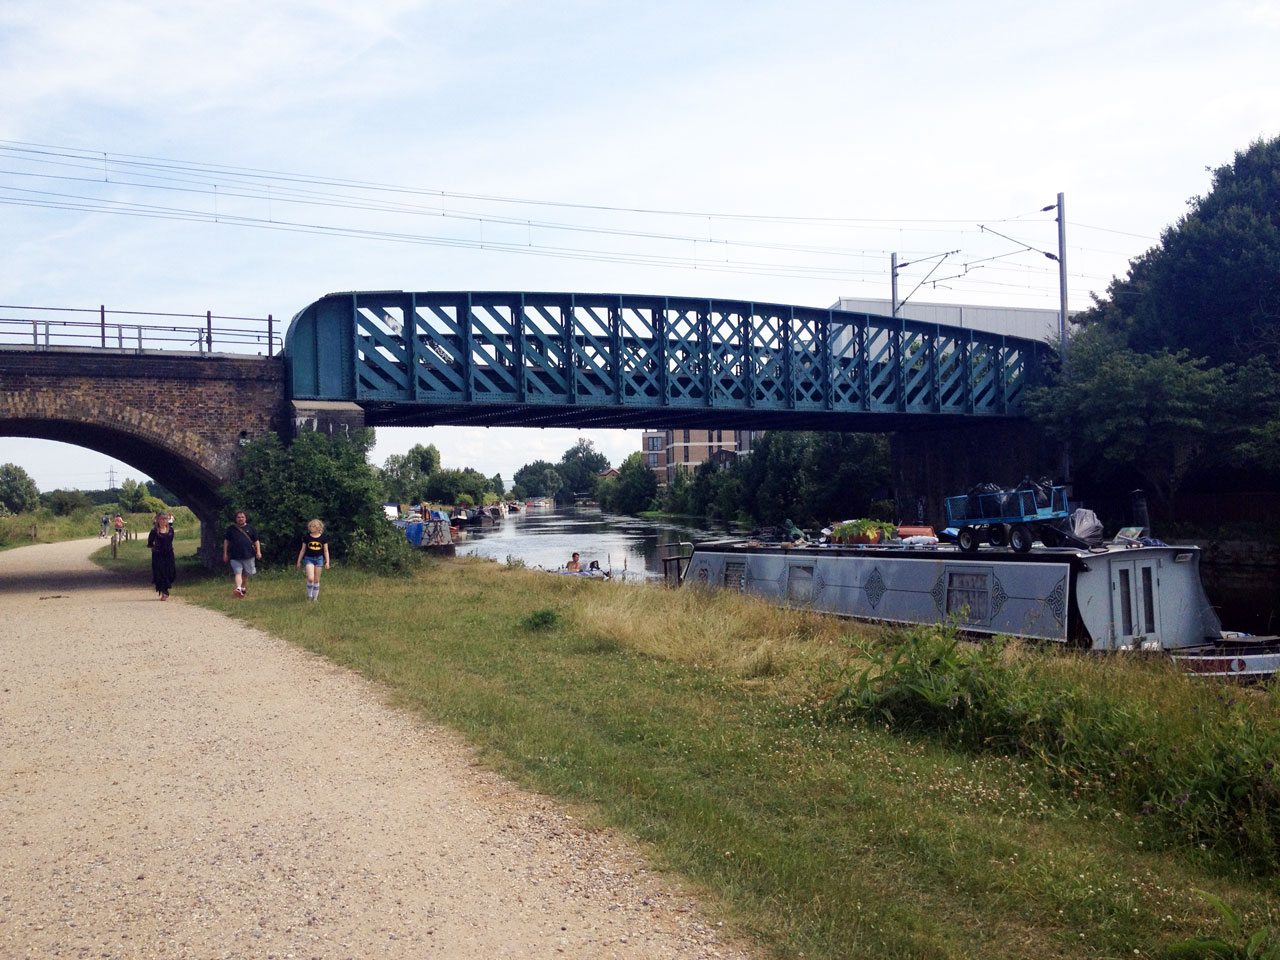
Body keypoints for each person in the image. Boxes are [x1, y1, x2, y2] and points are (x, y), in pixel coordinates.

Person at [222, 510, 262, 599]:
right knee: (237, 573)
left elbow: (256, 540)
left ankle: (243, 588)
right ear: (235, 519)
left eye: (242, 517)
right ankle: (238, 588)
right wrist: (225, 553)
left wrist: (258, 551)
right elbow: (226, 541)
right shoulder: (231, 529)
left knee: (246, 573)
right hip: (234, 555)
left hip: (248, 555)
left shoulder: (251, 528)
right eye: (238, 517)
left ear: (245, 518)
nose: (240, 519)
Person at [295, 518, 330, 602]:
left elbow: (325, 550)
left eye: (313, 527)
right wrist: (299, 561)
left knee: (316, 579)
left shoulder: (323, 538)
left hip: (319, 559)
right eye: (310, 526)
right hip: (309, 558)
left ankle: (315, 598)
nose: (311, 528)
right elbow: (303, 550)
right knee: (310, 578)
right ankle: (309, 596)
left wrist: (327, 561)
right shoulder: (306, 537)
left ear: (318, 528)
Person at [146, 511, 176, 600]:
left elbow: (170, 540)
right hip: (158, 554)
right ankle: (164, 591)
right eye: (161, 519)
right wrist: (153, 547)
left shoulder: (171, 530)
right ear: (158, 520)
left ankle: (165, 588)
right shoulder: (154, 531)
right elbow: (150, 542)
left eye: (165, 519)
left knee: (171, 572)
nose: (163, 521)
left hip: (169, 553)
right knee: (161, 573)